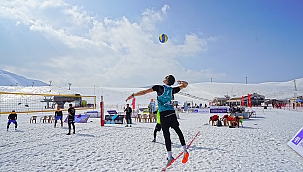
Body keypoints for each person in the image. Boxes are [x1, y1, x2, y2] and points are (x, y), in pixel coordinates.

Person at [125, 74, 189, 166]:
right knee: (178, 131)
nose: (164, 78)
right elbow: (185, 85)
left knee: (166, 135)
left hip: (164, 113)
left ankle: (170, 156)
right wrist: (182, 82)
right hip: (172, 112)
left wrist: (133, 95)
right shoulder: (172, 90)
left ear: (167, 81)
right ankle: (185, 150)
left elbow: (144, 92)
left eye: (166, 77)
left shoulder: (159, 88)